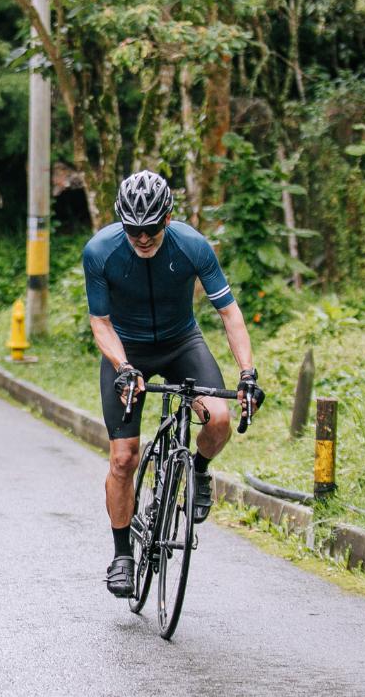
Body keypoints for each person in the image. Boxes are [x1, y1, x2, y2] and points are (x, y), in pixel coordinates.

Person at [82, 170, 265, 597]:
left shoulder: (192, 246)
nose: (142, 238)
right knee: (124, 458)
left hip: (182, 342)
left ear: (167, 219)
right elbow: (100, 323)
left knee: (219, 418)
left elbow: (230, 313)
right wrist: (124, 365)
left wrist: (247, 373)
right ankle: (123, 554)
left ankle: (198, 470)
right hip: (127, 350)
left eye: (150, 229)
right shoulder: (101, 252)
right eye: (133, 230)